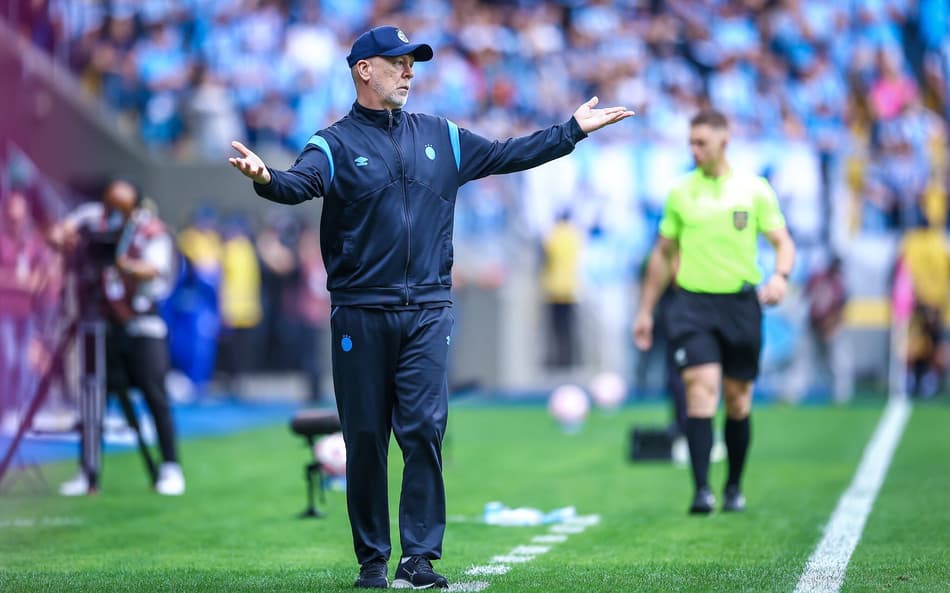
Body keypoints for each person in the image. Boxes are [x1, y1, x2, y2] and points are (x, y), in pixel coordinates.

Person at [228, 25, 633, 589]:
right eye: (398, 61)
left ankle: (419, 557)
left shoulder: (443, 135)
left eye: (413, 62)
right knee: (365, 438)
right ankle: (372, 560)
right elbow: (299, 184)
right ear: (364, 69)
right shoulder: (333, 143)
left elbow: (508, 154)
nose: (410, 70)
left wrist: (570, 132)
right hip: (360, 311)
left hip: (429, 311)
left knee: (422, 429)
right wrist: (265, 179)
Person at [633, 110, 795, 515]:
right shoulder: (680, 192)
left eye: (701, 142)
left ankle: (734, 486)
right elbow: (662, 254)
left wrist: (780, 276)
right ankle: (702, 490)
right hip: (692, 305)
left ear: (725, 140)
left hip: (740, 305)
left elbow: (783, 242)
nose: (694, 149)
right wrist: (645, 310)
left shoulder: (754, 190)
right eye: (691, 142)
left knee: (738, 402)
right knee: (700, 391)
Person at [49, 179, 185, 496]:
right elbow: (59, 233)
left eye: (121, 209)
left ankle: (170, 467)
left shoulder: (151, 230)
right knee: (93, 398)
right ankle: (88, 471)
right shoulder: (91, 217)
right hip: (102, 322)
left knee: (155, 394)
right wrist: (69, 242)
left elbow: (154, 269)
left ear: (135, 208)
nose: (113, 215)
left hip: (141, 322)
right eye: (110, 206)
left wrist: (121, 263)